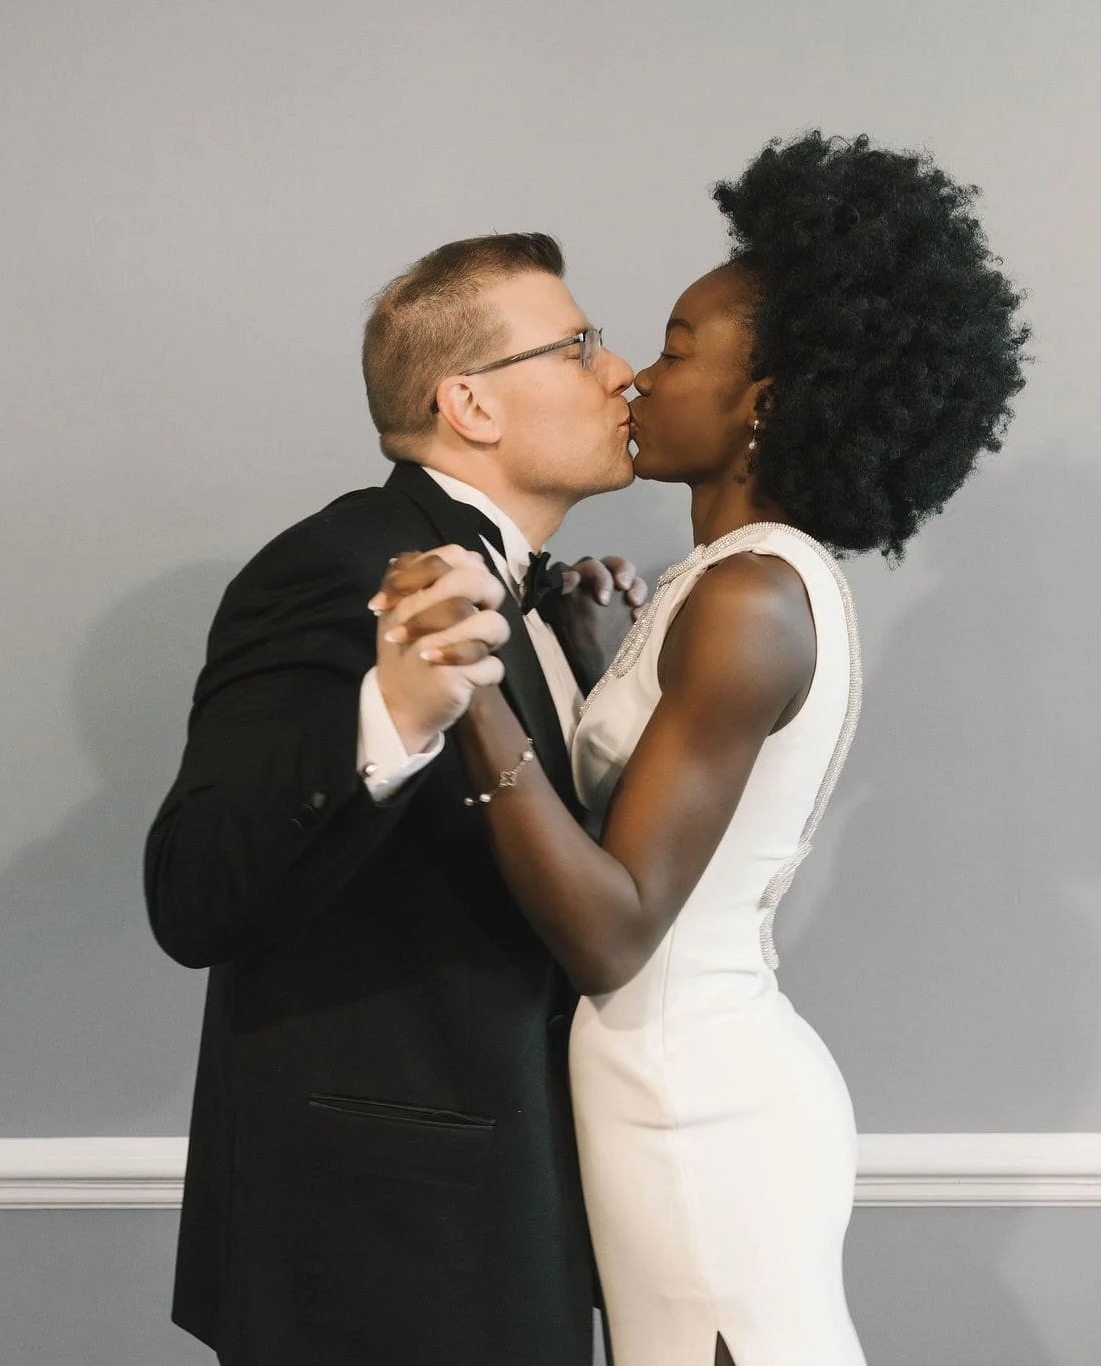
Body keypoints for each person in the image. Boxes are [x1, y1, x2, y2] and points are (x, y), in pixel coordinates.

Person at [376, 132, 1031, 1364]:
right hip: (668, 1086)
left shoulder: (748, 600)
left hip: (694, 1107)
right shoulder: (728, 583)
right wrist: (599, 648)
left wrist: (468, 693)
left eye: (675, 350)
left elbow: (613, 928)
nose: (630, 378)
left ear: (762, 402)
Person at [142, 232, 646, 1365]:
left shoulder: (538, 595)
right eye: (578, 346)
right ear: (468, 402)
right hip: (383, 1256)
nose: (620, 373)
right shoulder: (337, 566)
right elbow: (192, 895)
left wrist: (581, 661)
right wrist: (395, 716)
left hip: (504, 1224)